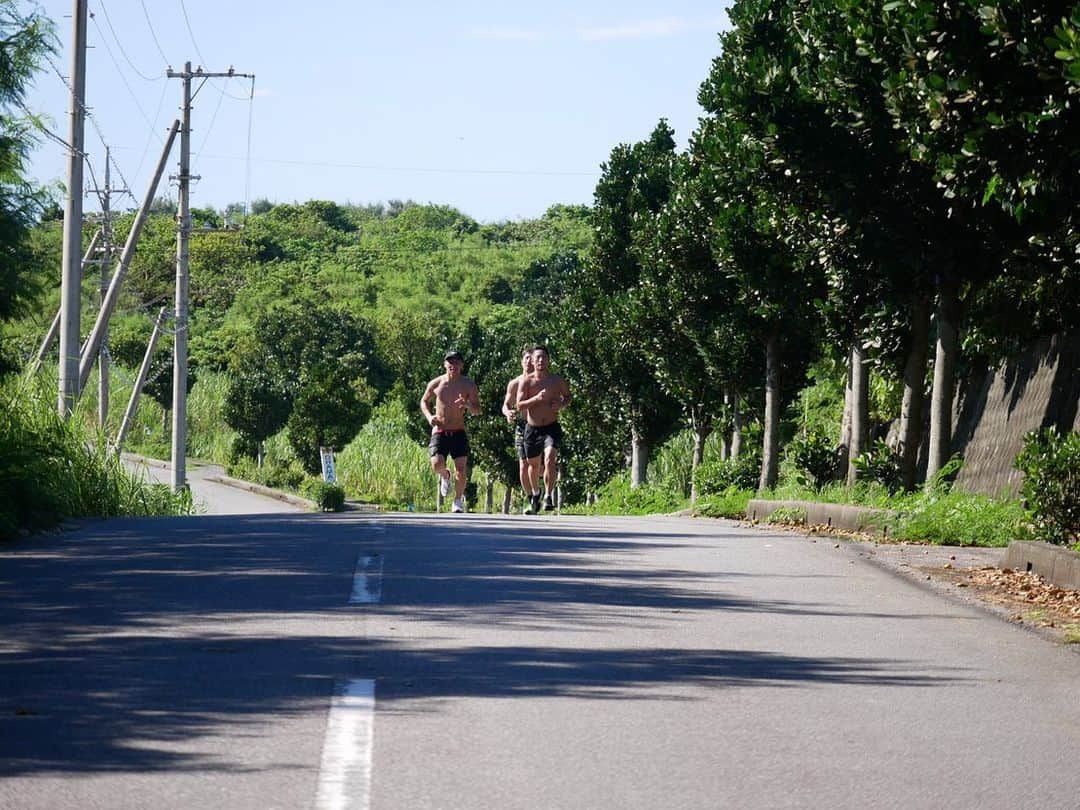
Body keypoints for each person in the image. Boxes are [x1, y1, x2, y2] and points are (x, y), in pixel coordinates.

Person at [420, 350, 480, 513]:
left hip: (458, 431)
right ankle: (445, 475)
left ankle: (457, 501)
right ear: (445, 364)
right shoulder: (436, 383)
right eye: (450, 362)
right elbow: (424, 401)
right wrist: (429, 416)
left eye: (457, 362)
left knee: (461, 469)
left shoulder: (469, 384)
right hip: (440, 429)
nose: (453, 365)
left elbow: (477, 409)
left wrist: (467, 405)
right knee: (436, 464)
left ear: (462, 365)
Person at [516, 345, 571, 513]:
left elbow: (568, 396)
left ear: (548, 360)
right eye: (537, 358)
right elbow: (519, 405)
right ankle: (535, 493)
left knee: (550, 459)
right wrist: (536, 398)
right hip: (532, 429)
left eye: (543, 357)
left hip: (551, 427)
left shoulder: (556, 380)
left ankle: (548, 495)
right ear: (532, 361)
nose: (540, 360)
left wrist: (561, 404)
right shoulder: (527, 382)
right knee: (532, 466)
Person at [502, 348, 537, 512]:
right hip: (522, 426)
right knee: (523, 464)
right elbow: (506, 405)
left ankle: (538, 490)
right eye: (527, 358)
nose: (530, 362)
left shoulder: (540, 381)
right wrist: (508, 413)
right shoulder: (514, 383)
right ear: (522, 361)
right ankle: (531, 498)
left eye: (533, 359)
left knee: (538, 465)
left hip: (539, 425)